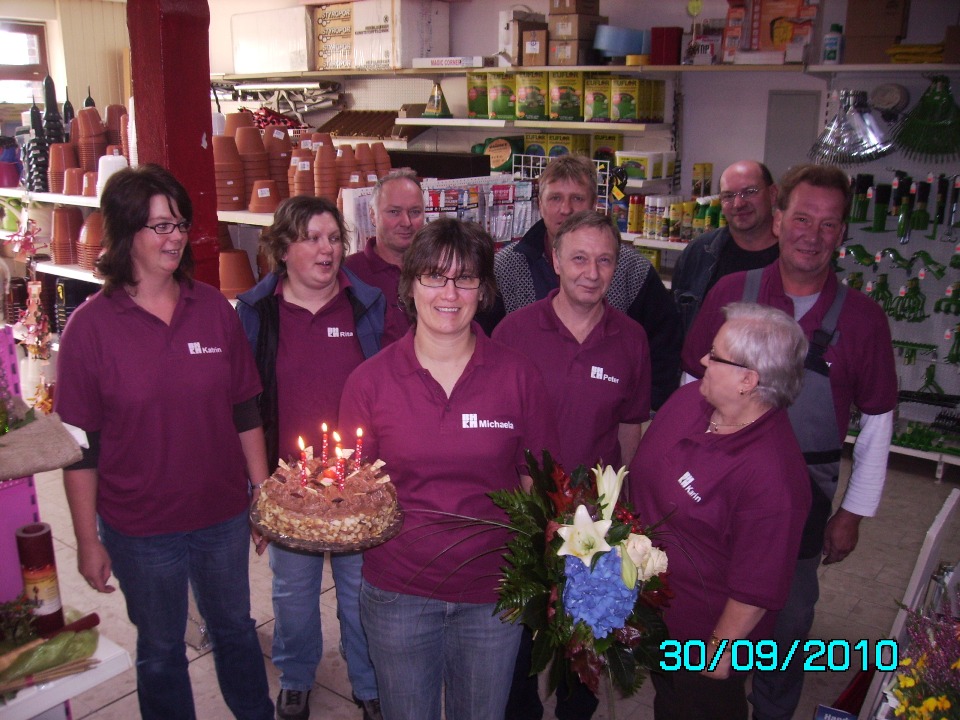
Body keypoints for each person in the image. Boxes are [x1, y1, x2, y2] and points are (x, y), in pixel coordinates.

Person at [54, 164, 273, 720]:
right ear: (126, 232)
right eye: (160, 226)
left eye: (179, 224)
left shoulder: (213, 310)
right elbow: (80, 448)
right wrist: (87, 540)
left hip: (221, 514)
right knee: (160, 649)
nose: (175, 237)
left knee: (235, 629)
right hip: (140, 528)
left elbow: (244, 408)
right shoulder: (89, 329)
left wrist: (262, 494)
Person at [681, 164, 898, 720]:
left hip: (802, 504)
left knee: (787, 621)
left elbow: (878, 421)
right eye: (802, 218)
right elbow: (689, 387)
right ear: (779, 220)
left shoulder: (864, 320)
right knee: (709, 612)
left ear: (842, 233)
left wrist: (853, 512)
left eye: (828, 224)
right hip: (716, 491)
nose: (812, 235)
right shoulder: (731, 294)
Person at [339, 218, 559, 720]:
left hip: (492, 593)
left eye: (466, 278)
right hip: (398, 592)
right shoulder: (369, 383)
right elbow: (352, 493)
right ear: (410, 285)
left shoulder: (518, 376)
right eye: (435, 276)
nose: (450, 293)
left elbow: (538, 485)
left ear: (484, 290)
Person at [494, 210, 652, 720]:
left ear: (616, 267)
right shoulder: (514, 331)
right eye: (579, 258)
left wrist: (626, 513)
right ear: (556, 261)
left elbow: (630, 427)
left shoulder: (631, 339)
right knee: (521, 643)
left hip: (596, 522)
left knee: (586, 645)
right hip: (526, 515)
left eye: (604, 260)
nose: (592, 272)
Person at [236, 196, 385, 720]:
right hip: (289, 487)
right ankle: (296, 676)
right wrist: (258, 489)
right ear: (282, 249)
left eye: (334, 238)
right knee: (293, 592)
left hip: (356, 486)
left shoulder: (367, 305)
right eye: (312, 238)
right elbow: (245, 403)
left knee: (360, 590)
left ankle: (368, 683)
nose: (328, 249)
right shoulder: (257, 312)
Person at [631, 302, 811, 720]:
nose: (702, 360)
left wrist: (715, 657)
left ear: (748, 380)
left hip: (701, 642)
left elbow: (756, 589)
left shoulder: (774, 477)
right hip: (656, 615)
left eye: (715, 356)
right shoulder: (689, 401)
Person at [479, 153, 681, 411]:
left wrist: (645, 412)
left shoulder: (632, 270)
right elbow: (483, 347)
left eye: (577, 198)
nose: (566, 209)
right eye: (555, 198)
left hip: (604, 417)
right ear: (539, 203)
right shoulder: (504, 268)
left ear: (594, 203)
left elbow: (664, 351)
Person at [672, 160, 779, 338]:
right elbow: (676, 326)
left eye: (749, 192)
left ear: (773, 193)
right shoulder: (699, 253)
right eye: (728, 196)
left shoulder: (794, 256)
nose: (738, 203)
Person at [344, 168, 424, 345]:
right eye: (394, 212)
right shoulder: (349, 274)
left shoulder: (438, 269)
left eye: (415, 212)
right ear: (372, 215)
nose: (406, 222)